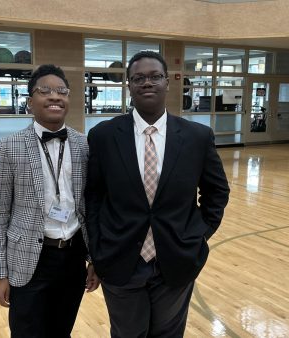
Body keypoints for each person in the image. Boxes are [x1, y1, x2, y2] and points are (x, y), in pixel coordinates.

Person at [86, 51, 230, 337]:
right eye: (138, 78)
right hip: (119, 258)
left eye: (155, 76)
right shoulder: (103, 135)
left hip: (176, 260)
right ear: (129, 85)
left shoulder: (197, 137)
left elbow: (217, 191)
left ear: (168, 82)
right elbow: (93, 197)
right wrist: (97, 250)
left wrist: (198, 235)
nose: (147, 83)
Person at [0, 64, 99, 338]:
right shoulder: (9, 147)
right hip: (28, 259)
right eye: (44, 91)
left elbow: (93, 206)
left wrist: (96, 258)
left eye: (62, 91)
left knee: (62, 330)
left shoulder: (84, 145)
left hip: (73, 257)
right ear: (29, 102)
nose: (54, 96)